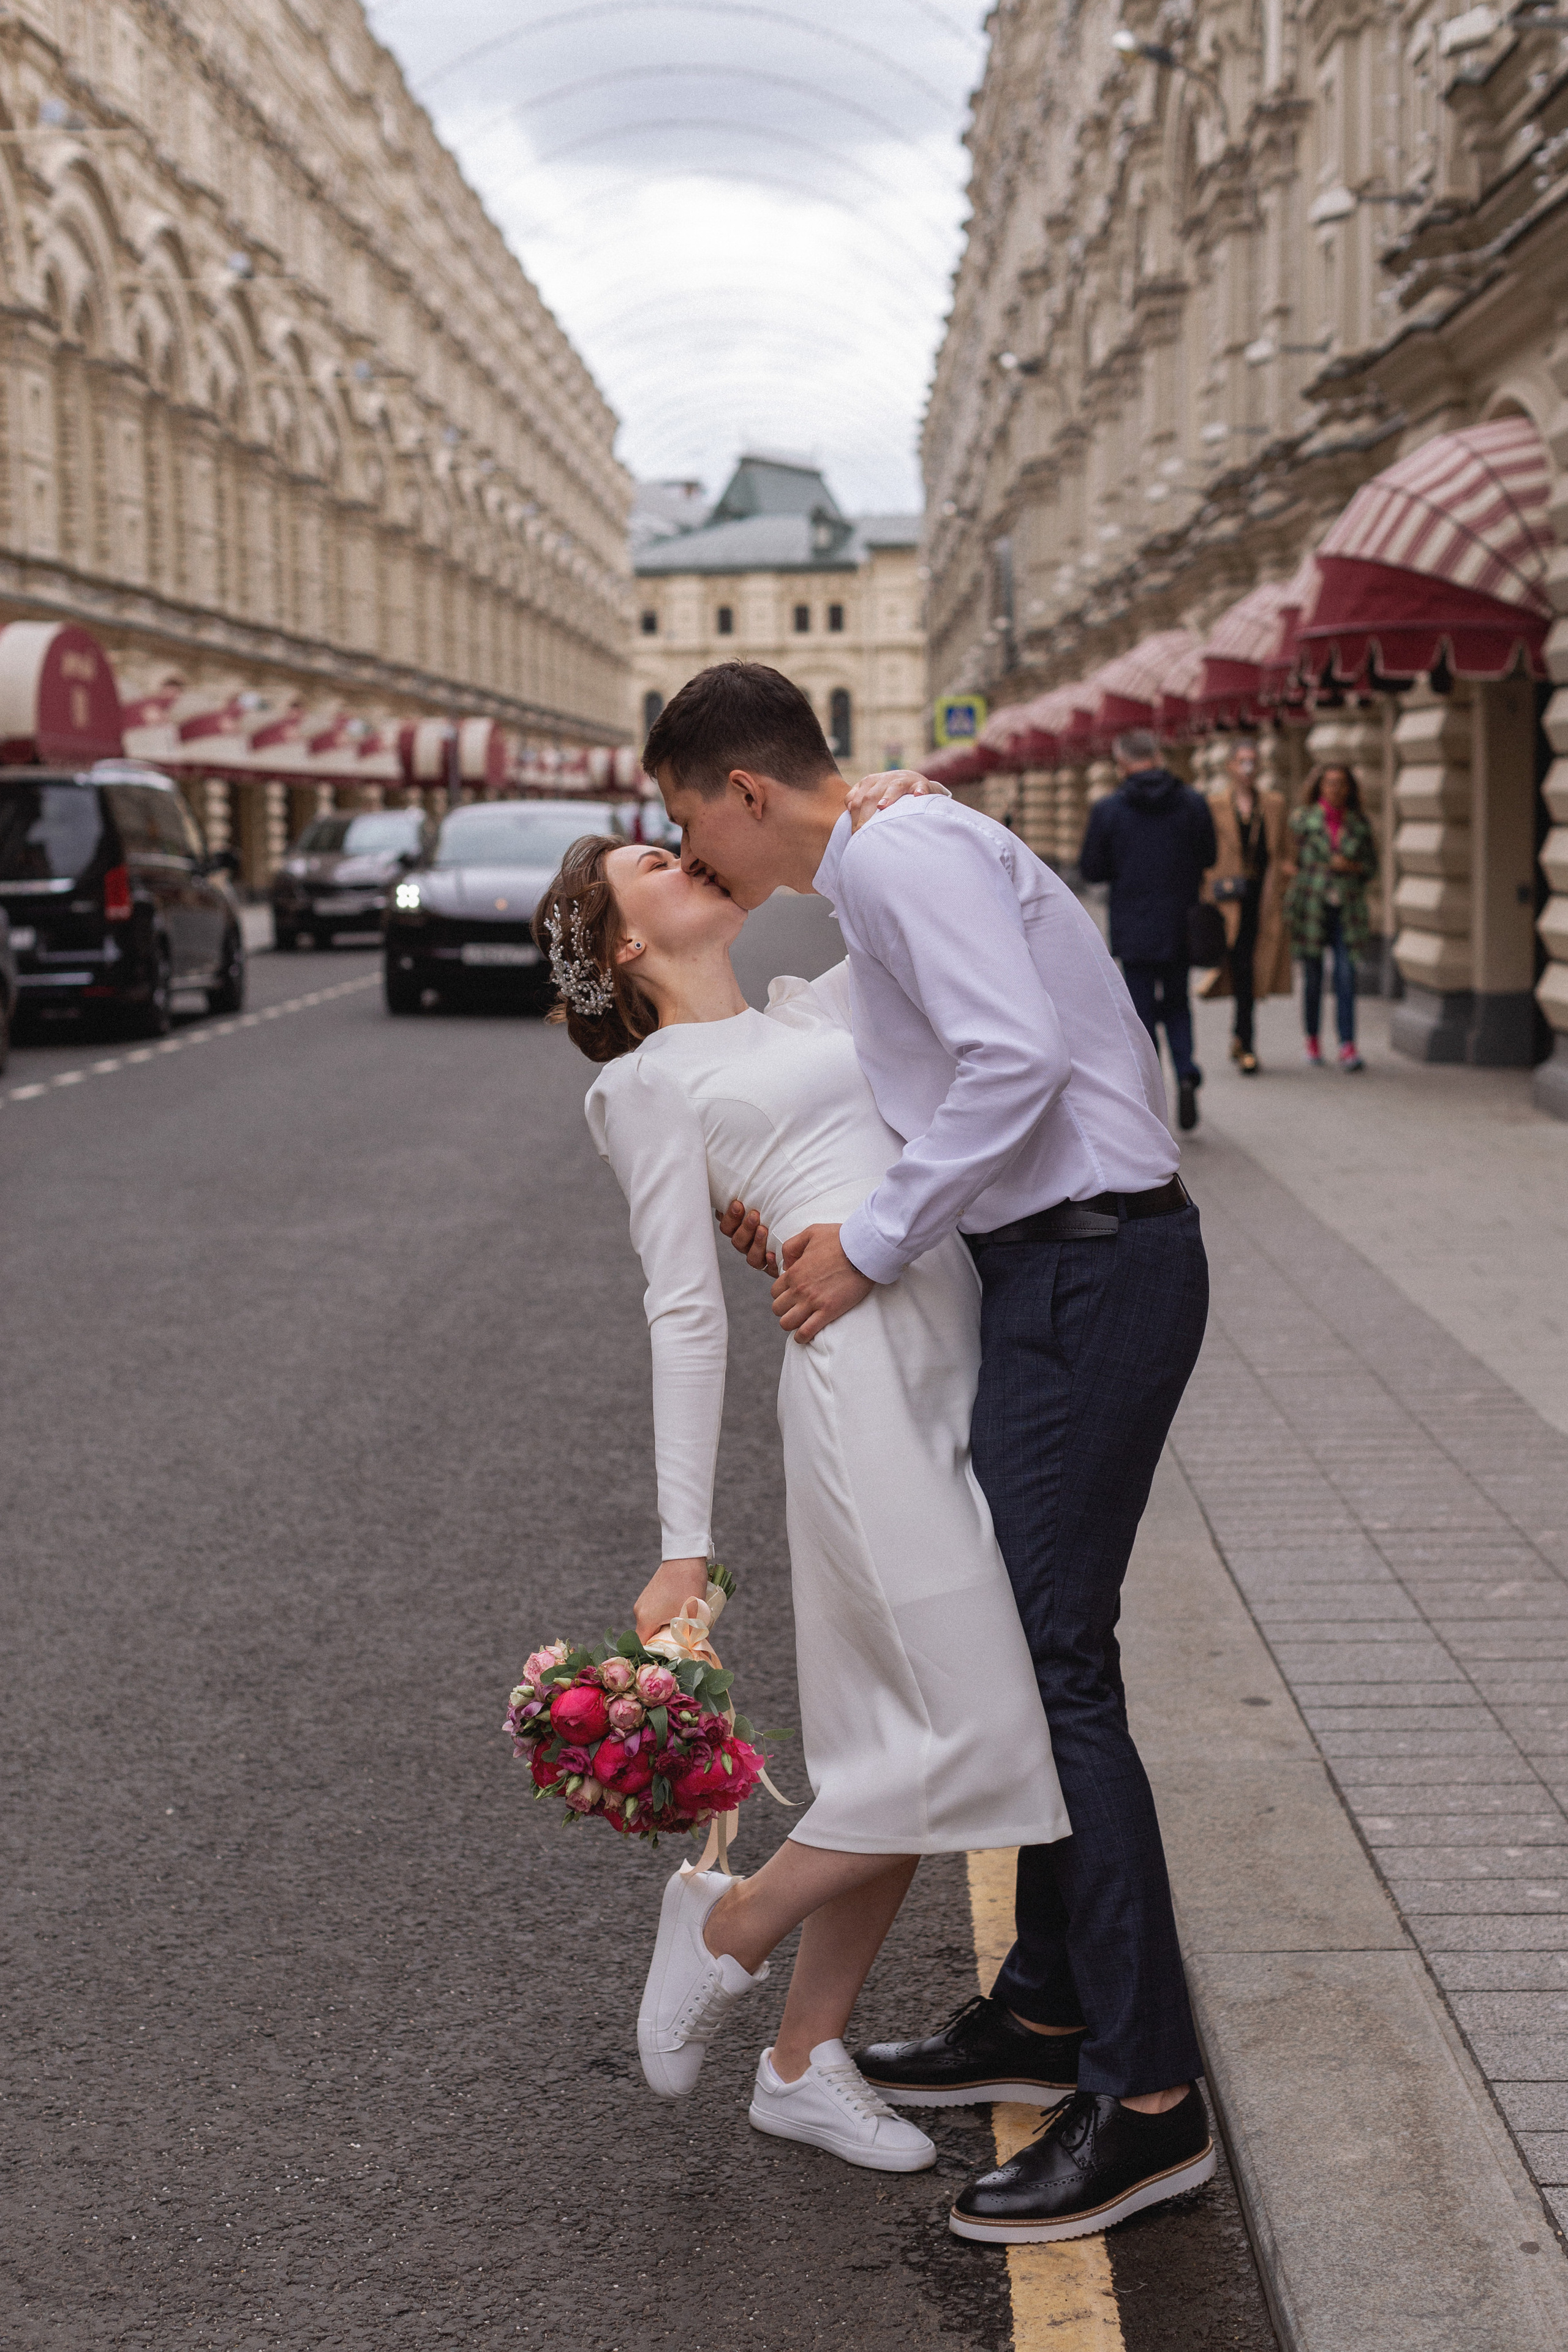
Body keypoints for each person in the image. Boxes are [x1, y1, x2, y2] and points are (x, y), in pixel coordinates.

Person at [647, 662, 1215, 2247]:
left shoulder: (897, 855)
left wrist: (872, 1243)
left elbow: (1015, 1061)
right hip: (1070, 1260)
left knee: (1052, 1662)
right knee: (1043, 1663)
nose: (697, 858)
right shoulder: (893, 857)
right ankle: (1044, 2011)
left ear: (746, 792)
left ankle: (1151, 2101)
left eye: (693, 824)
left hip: (1090, 1262)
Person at [538, 830, 1071, 2181]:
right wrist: (683, 1546)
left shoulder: (812, 1004)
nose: (688, 854)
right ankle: (724, 1931)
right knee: (978, 1733)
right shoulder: (647, 1088)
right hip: (859, 1390)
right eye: (653, 859)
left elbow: (903, 910)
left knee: (895, 1742)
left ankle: (797, 2064)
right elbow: (681, 1311)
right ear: (620, 946)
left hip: (960, 1357)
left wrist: (894, 798)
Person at [1078, 730, 1218, 1131]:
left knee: (1140, 1015)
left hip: (1134, 925)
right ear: (1158, 755)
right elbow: (1209, 855)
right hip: (1181, 922)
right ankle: (1187, 1071)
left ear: (1122, 762)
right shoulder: (1192, 803)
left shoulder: (1109, 809)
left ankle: (1150, 1095)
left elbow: (1092, 869)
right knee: (1177, 1003)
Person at [1198, 739, 1292, 1074]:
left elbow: (1284, 851)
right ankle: (1243, 1040)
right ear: (1230, 767)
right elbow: (1206, 853)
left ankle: (1244, 1040)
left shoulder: (1274, 804)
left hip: (1262, 900)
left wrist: (1286, 874)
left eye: (1253, 762)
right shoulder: (1214, 805)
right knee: (1240, 968)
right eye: (1242, 762)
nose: (1248, 769)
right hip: (1227, 900)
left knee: (1250, 969)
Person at [1284, 764, 1378, 1071]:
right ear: (1319, 786)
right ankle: (1312, 1039)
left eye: (1341, 783)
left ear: (1349, 788)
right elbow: (1287, 862)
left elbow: (1371, 868)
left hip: (1348, 911)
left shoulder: (1359, 824)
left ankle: (1348, 1044)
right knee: (1312, 977)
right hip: (1311, 908)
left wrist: (1349, 866)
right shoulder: (1302, 821)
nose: (1335, 789)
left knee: (1346, 976)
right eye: (1329, 783)